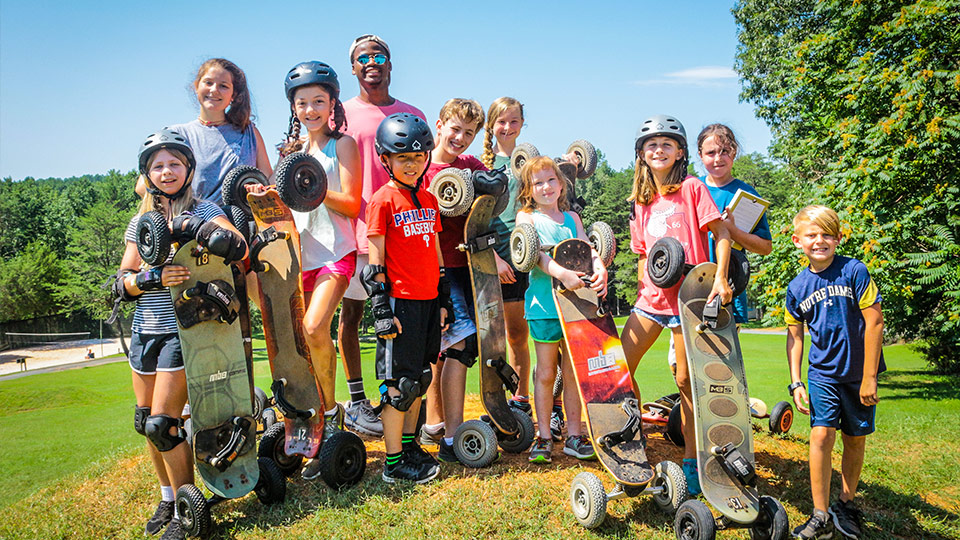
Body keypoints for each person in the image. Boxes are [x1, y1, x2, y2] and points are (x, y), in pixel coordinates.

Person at [115, 129, 247, 540]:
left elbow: (239, 244)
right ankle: (169, 497)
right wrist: (152, 276)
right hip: (145, 331)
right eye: (158, 165)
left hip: (184, 331)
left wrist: (197, 228)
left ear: (188, 168)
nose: (166, 171)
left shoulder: (205, 208)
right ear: (147, 174)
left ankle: (187, 513)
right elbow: (121, 283)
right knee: (144, 422)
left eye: (174, 163)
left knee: (163, 425)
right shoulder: (141, 223)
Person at [619, 115, 732, 494]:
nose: (658, 150)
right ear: (641, 155)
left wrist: (719, 277)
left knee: (686, 381)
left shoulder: (692, 188)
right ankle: (632, 435)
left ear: (680, 151)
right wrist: (639, 290)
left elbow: (722, 233)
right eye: (651, 145)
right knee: (618, 370)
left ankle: (692, 461)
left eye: (666, 144)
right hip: (651, 300)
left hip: (689, 299)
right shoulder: (640, 201)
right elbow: (640, 254)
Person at [274, 61, 361, 480]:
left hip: (336, 253)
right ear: (294, 107)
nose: (310, 110)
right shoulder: (292, 156)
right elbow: (284, 210)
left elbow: (351, 203)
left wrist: (313, 186)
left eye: (318, 102)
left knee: (313, 328)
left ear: (332, 104)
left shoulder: (341, 146)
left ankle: (330, 413)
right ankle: (318, 418)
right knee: (303, 344)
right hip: (299, 259)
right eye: (302, 103)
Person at [338, 35, 428, 436]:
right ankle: (358, 401)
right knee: (357, 312)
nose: (372, 62)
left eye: (379, 56)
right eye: (363, 58)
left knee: (410, 315)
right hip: (358, 227)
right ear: (353, 67)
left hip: (408, 229)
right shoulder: (340, 114)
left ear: (390, 64)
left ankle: (408, 398)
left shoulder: (412, 112)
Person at [785, 205, 884, 540]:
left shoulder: (854, 270)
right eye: (812, 235)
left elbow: (875, 321)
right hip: (822, 373)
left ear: (838, 238)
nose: (819, 241)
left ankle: (846, 502)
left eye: (827, 234)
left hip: (858, 374)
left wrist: (870, 376)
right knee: (821, 435)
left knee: (854, 438)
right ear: (798, 240)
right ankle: (820, 513)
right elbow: (795, 337)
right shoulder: (797, 287)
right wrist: (796, 380)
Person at [365, 112, 451, 483]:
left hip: (429, 300)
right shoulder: (383, 200)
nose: (412, 163)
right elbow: (375, 258)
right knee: (398, 386)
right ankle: (394, 464)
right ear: (385, 159)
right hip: (400, 303)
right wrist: (381, 308)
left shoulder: (429, 200)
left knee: (421, 377)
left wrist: (444, 297)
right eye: (403, 157)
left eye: (418, 157)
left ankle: (408, 443)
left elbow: (434, 250)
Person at [515, 155, 605, 464]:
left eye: (550, 180)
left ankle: (574, 436)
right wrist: (561, 273)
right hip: (544, 305)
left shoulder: (572, 220)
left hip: (574, 306)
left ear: (561, 183)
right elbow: (536, 255)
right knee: (545, 373)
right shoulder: (526, 218)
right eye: (537, 182)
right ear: (529, 189)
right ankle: (544, 437)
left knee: (572, 374)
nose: (545, 187)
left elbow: (587, 250)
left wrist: (600, 268)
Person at [664, 123, 774, 373]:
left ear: (734, 152)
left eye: (724, 151)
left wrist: (732, 231)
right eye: (710, 152)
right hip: (690, 288)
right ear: (700, 155)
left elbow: (765, 247)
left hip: (727, 293)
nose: (718, 158)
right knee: (678, 366)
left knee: (717, 366)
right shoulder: (687, 189)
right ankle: (685, 411)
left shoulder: (746, 194)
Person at [418, 98, 488, 463]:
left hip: (467, 266)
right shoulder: (422, 167)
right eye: (455, 128)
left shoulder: (469, 165)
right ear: (440, 124)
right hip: (435, 268)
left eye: (469, 133)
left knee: (450, 349)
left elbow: (494, 187)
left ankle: (437, 426)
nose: (460, 138)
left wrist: (490, 184)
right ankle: (452, 436)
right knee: (459, 345)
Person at [137, 59, 272, 202]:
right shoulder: (176, 135)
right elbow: (142, 187)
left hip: (245, 221)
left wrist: (285, 156)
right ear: (196, 86)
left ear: (233, 95)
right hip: (196, 221)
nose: (214, 90)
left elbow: (268, 180)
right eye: (208, 83)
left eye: (223, 86)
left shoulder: (249, 133)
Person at [481, 97, 533, 416]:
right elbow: (474, 220)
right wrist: (493, 259)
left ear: (522, 124)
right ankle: (495, 400)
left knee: (517, 336)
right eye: (501, 121)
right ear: (491, 125)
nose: (507, 127)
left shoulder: (530, 163)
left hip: (521, 262)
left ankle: (521, 400)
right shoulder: (481, 167)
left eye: (514, 121)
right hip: (489, 262)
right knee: (490, 342)